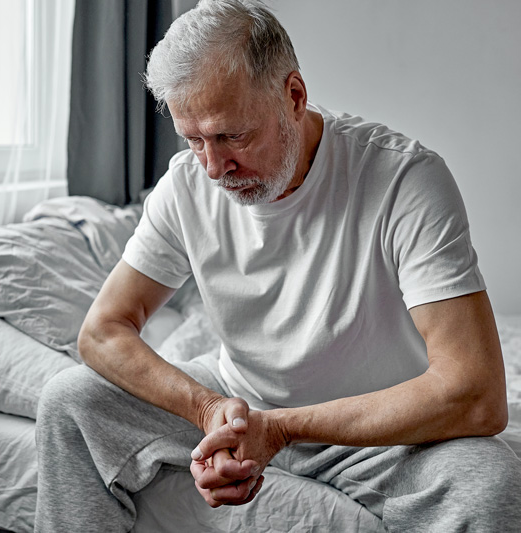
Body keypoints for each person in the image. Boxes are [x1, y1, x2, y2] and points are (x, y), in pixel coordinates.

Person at [34, 1, 521, 531]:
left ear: (293, 95)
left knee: (489, 481)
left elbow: (477, 392)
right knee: (69, 400)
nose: (215, 168)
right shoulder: (186, 187)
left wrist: (281, 430)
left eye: (231, 136)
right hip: (238, 404)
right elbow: (102, 332)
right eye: (193, 140)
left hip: (377, 433)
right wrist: (207, 410)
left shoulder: (405, 181)